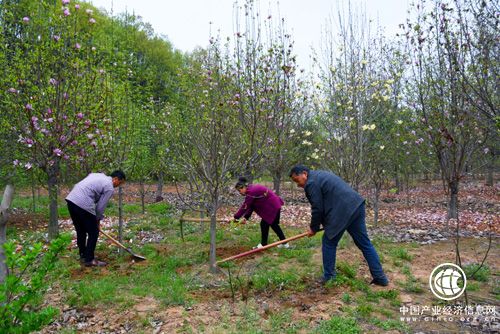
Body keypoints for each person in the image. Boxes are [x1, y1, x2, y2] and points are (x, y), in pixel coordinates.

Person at [289, 165, 388, 286]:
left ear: (304, 173)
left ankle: (329, 277)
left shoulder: (311, 183)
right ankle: (380, 277)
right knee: (365, 244)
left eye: (296, 180)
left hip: (343, 211)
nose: (297, 185)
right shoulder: (319, 175)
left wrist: (313, 228)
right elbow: (326, 203)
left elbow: (317, 209)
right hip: (356, 205)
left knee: (328, 242)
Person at [66, 170, 126, 267]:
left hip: (71, 200)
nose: (118, 186)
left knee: (81, 230)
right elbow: (100, 207)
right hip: (83, 202)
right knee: (93, 232)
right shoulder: (109, 187)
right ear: (115, 179)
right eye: (120, 183)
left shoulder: (98, 175)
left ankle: (83, 255)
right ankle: (89, 260)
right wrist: (97, 220)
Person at [233, 177, 288, 249]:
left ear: (243, 187)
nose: (239, 193)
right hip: (274, 205)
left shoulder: (251, 192)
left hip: (272, 206)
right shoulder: (251, 189)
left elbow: (245, 206)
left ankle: (264, 244)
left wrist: (236, 217)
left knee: (264, 224)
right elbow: (251, 205)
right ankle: (284, 243)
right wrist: (246, 217)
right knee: (273, 225)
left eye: (239, 190)